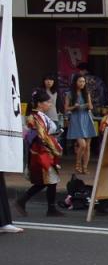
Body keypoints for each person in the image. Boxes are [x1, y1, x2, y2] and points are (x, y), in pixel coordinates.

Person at [14, 89, 64, 218]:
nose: (50, 104)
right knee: (47, 179)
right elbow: (42, 136)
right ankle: (26, 201)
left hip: (45, 149)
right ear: (39, 104)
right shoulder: (34, 117)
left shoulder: (40, 116)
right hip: (41, 151)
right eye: (47, 102)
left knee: (49, 180)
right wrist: (54, 148)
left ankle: (47, 207)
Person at [65, 74, 96, 175]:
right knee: (82, 145)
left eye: (83, 82)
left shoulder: (86, 93)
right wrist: (74, 106)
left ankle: (85, 167)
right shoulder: (69, 94)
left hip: (86, 118)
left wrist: (88, 105)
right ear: (75, 82)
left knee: (88, 146)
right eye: (80, 81)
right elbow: (66, 108)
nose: (82, 83)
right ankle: (78, 163)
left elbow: (91, 107)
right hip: (76, 119)